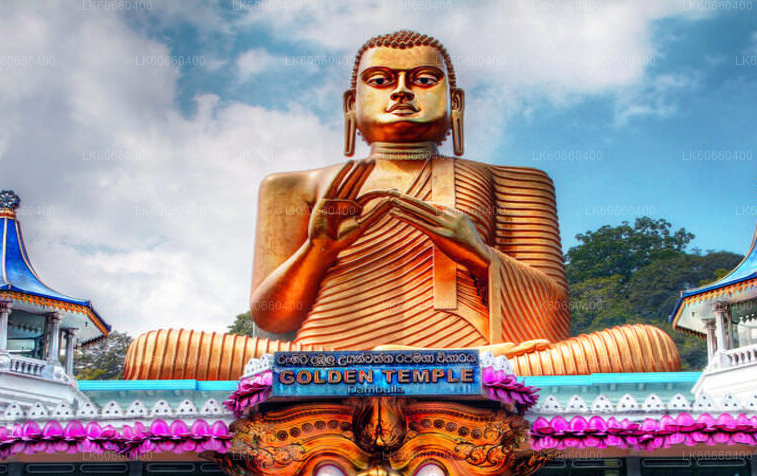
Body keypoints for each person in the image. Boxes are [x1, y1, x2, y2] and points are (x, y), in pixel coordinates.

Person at [124, 30, 680, 381]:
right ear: (352, 104)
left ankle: (407, 371)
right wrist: (317, 249)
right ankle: (386, 371)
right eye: (381, 80)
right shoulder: (296, 185)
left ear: (453, 103)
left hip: (476, 362)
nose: (402, 92)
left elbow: (553, 321)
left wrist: (479, 253)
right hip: (319, 362)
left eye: (423, 79)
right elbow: (275, 321)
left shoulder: (513, 180)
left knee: (648, 345)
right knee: (151, 351)